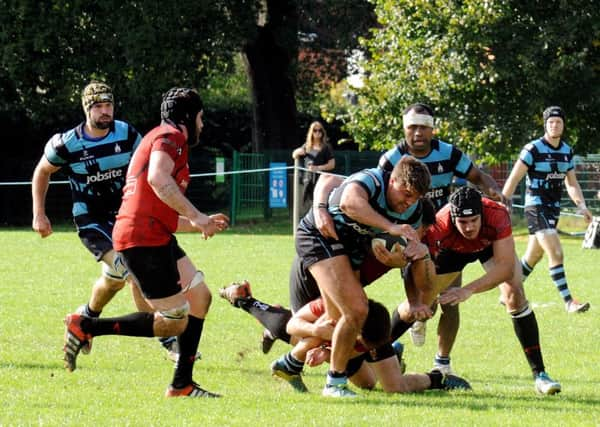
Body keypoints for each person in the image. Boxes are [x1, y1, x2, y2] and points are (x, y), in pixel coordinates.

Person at [314, 102, 508, 375]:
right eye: (412, 127)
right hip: (406, 232)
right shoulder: (392, 158)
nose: (418, 132)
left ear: (432, 129)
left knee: (450, 300)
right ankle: (382, 346)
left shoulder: (450, 154)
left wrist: (493, 188)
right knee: (409, 295)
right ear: (405, 129)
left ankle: (443, 361)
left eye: (423, 127)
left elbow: (478, 175)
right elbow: (369, 193)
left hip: (448, 235)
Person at [62, 87, 230, 398]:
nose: (203, 125)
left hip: (153, 233)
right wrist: (197, 214)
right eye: (201, 118)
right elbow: (157, 178)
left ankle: (182, 385)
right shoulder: (171, 138)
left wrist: (198, 222)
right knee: (176, 319)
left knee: (201, 297)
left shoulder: (161, 137)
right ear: (187, 118)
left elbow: (155, 205)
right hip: (142, 238)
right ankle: (86, 324)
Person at [391, 186, 561, 395]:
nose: (469, 227)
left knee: (515, 293)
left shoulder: (497, 214)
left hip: (487, 246)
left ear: (482, 214)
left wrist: (468, 290)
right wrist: (417, 300)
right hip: (450, 253)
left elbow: (506, 268)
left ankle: (540, 376)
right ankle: (380, 347)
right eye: (463, 222)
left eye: (474, 220)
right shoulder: (439, 225)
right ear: (453, 218)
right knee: (419, 305)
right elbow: (411, 266)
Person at [32, 81, 142, 356]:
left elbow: (146, 167)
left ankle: (85, 319)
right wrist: (39, 215)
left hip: (125, 217)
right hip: (91, 222)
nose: (106, 111)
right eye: (100, 106)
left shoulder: (127, 134)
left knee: (114, 279)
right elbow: (42, 172)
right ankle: (171, 341)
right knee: (134, 272)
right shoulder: (67, 143)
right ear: (87, 109)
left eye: (109, 105)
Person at [269, 296, 471, 394]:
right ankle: (394, 359)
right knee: (368, 385)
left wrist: (327, 353)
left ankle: (437, 378)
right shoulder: (330, 306)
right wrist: (318, 333)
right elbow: (292, 325)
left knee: (395, 387)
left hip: (365, 343)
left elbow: (359, 345)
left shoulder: (375, 329)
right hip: (340, 345)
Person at [502, 106, 591, 313]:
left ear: (563, 125)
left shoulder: (567, 151)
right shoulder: (533, 149)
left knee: (533, 256)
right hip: (535, 207)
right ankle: (569, 302)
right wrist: (502, 204)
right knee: (557, 253)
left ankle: (507, 292)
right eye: (551, 122)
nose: (554, 125)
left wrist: (582, 205)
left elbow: (572, 183)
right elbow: (514, 177)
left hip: (553, 209)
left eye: (558, 122)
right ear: (545, 125)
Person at [292, 121, 335, 215]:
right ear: (311, 132)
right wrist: (296, 153)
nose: (318, 132)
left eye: (320, 130)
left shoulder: (326, 147)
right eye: (315, 130)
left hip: (321, 181)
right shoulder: (307, 146)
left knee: (320, 205)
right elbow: (294, 155)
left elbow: (332, 164)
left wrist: (318, 168)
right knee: (306, 205)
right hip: (307, 181)